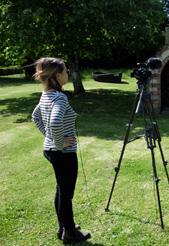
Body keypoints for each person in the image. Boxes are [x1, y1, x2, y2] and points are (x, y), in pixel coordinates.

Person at [31, 57, 91, 244]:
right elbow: (55, 122)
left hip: (52, 151)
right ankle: (70, 233)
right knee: (66, 193)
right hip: (62, 153)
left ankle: (64, 226)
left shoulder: (46, 94)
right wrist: (59, 143)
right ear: (57, 75)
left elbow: (36, 117)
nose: (68, 74)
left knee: (61, 189)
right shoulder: (59, 97)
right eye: (65, 71)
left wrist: (49, 138)